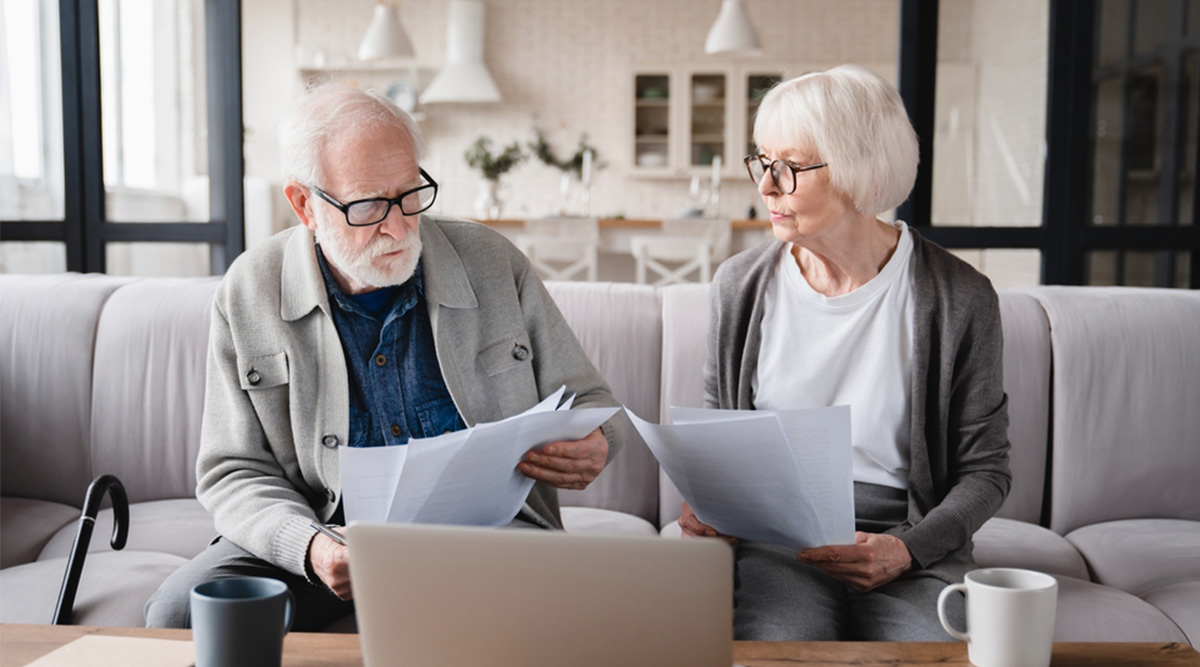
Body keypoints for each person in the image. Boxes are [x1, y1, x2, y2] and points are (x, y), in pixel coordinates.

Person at [145, 83, 625, 630]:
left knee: (572, 613)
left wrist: (597, 445)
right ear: (305, 204)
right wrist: (311, 547)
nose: (398, 226)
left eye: (409, 193)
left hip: (488, 538)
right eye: (369, 205)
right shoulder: (248, 291)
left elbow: (594, 404)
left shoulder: (493, 263)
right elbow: (233, 470)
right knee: (179, 614)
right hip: (325, 538)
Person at [678, 65, 1011, 641]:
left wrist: (908, 550)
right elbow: (720, 436)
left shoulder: (960, 297)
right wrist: (711, 504)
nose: (765, 186)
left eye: (789, 167)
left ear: (860, 169)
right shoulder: (740, 286)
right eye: (762, 160)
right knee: (777, 646)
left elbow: (986, 471)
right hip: (776, 540)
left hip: (909, 536)